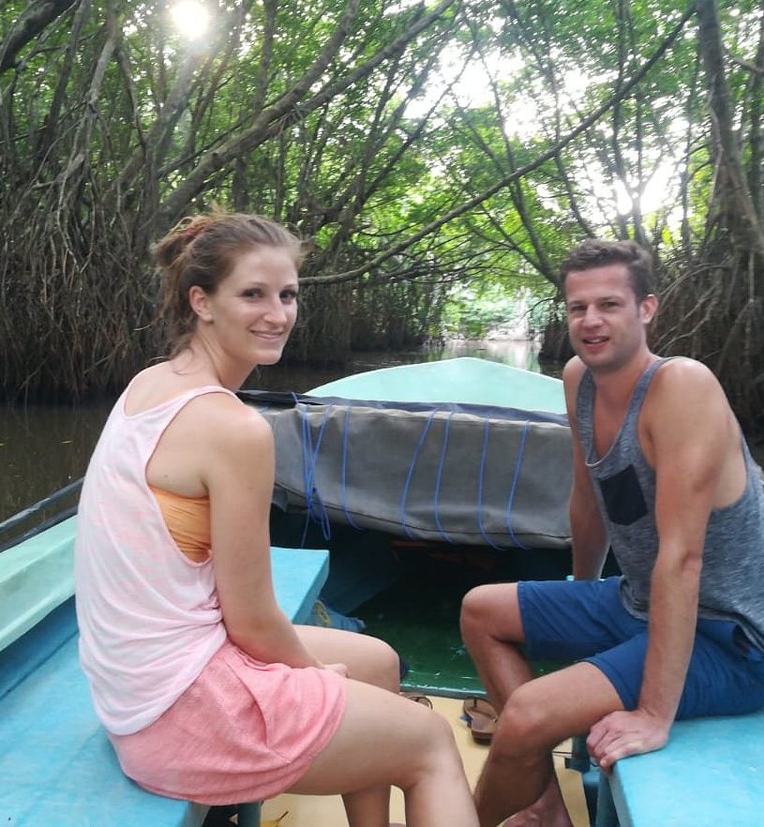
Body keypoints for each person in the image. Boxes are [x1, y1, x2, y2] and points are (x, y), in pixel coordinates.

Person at [74, 211, 477, 827]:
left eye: (287, 294)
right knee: (429, 742)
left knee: (380, 664)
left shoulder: (149, 384)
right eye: (253, 295)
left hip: (138, 688)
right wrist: (318, 677)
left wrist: (330, 677)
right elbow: (255, 620)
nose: (278, 313)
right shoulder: (233, 428)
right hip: (179, 712)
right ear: (201, 302)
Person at [460, 239, 764, 827]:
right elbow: (587, 500)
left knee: (530, 713)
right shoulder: (578, 380)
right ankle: (542, 807)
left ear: (647, 309)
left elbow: (682, 558)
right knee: (480, 611)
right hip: (636, 601)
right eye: (577, 307)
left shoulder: (681, 388)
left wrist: (653, 715)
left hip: (730, 641)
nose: (591, 322)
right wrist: (580, 595)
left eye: (609, 304)